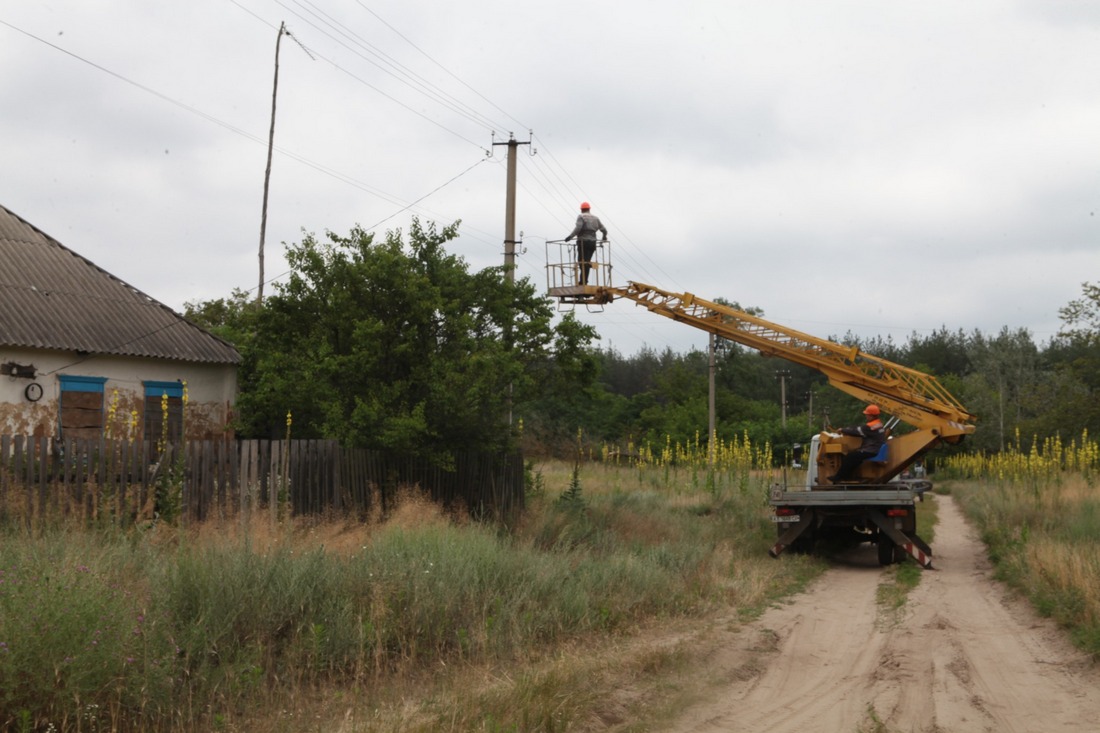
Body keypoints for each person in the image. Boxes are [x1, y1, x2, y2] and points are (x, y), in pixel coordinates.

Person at [828, 404, 886, 482]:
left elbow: (856, 431)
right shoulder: (878, 424)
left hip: (871, 450)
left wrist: (842, 430)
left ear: (871, 416)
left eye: (867, 415)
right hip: (876, 449)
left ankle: (838, 477)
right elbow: (860, 429)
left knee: (849, 456)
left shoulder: (870, 427)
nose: (866, 416)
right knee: (856, 459)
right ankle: (848, 476)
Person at [564, 201, 607, 285]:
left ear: (581, 209)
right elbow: (604, 229)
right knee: (586, 261)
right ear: (589, 209)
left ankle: (583, 281)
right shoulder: (595, 218)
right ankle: (584, 281)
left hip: (583, 242)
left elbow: (578, 228)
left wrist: (570, 237)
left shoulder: (581, 216)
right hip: (592, 243)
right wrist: (604, 237)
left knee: (581, 261)